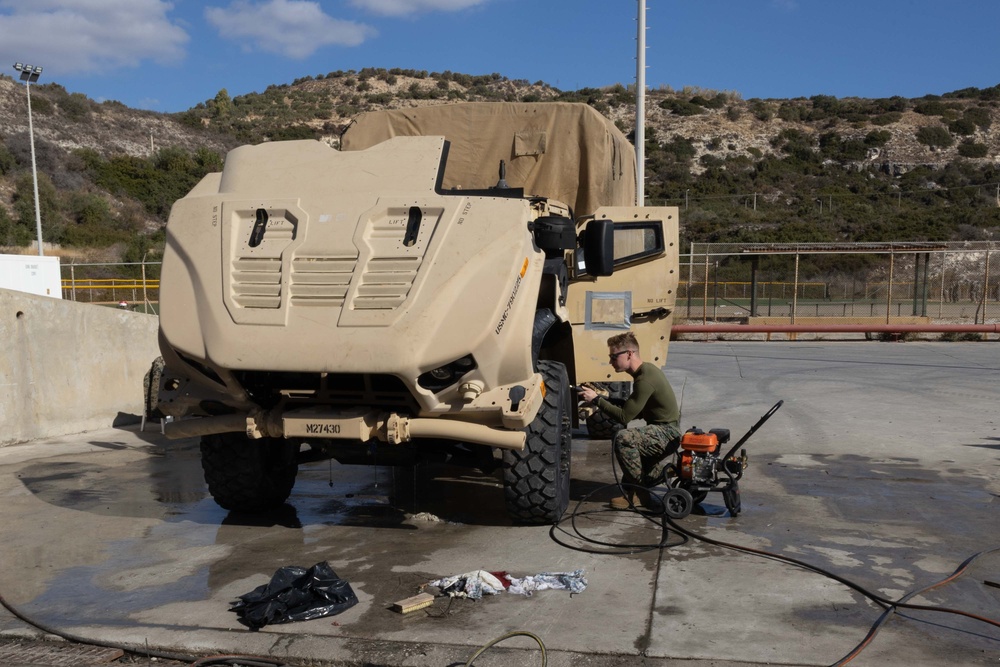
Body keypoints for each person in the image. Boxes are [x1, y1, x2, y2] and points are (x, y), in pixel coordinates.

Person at [578, 331, 681, 510]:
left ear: (629, 354)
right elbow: (633, 408)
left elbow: (625, 417)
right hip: (665, 432)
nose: (610, 361)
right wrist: (606, 399)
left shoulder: (645, 379)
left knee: (624, 438)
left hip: (666, 433)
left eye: (613, 356)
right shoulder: (645, 372)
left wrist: (596, 400)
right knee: (637, 466)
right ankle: (668, 472)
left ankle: (640, 495)